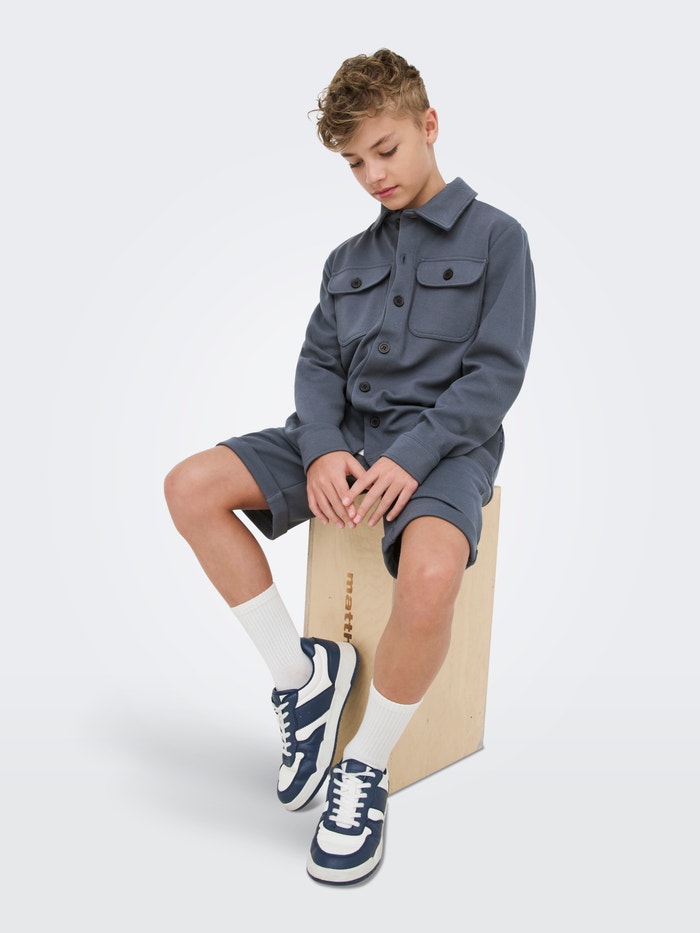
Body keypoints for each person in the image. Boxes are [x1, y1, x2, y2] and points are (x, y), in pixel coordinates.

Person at [164, 48, 535, 885]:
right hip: (340, 439)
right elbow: (317, 366)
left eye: (386, 149)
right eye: (355, 162)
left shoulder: (499, 238)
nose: (374, 176)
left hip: (445, 449)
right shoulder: (345, 260)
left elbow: (496, 374)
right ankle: (302, 679)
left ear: (429, 125)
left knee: (432, 575)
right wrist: (324, 446)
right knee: (190, 486)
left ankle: (363, 767)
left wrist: (412, 455)